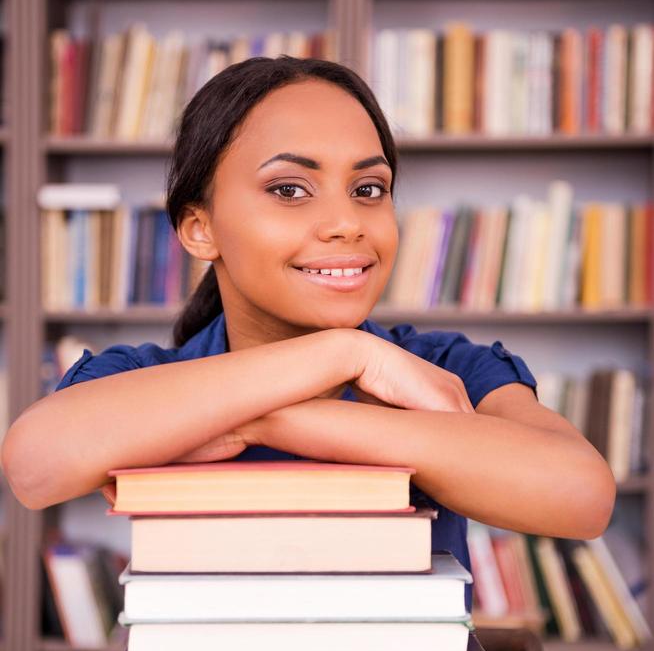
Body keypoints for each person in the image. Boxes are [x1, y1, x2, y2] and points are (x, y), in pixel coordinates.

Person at [1, 55, 615, 611]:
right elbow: (34, 466)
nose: (347, 222)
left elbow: (581, 496)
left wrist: (261, 419)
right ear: (199, 228)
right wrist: (344, 351)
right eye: (289, 189)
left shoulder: (445, 366)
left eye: (368, 189)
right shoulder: (143, 379)